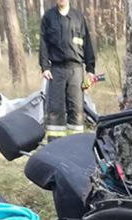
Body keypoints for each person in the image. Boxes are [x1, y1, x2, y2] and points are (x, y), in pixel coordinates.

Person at [39, 0, 98, 140]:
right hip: (56, 70)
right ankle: (54, 145)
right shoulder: (48, 17)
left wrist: (90, 69)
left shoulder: (78, 17)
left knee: (77, 110)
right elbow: (43, 44)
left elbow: (87, 43)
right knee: (55, 110)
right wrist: (44, 67)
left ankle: (75, 144)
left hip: (76, 70)